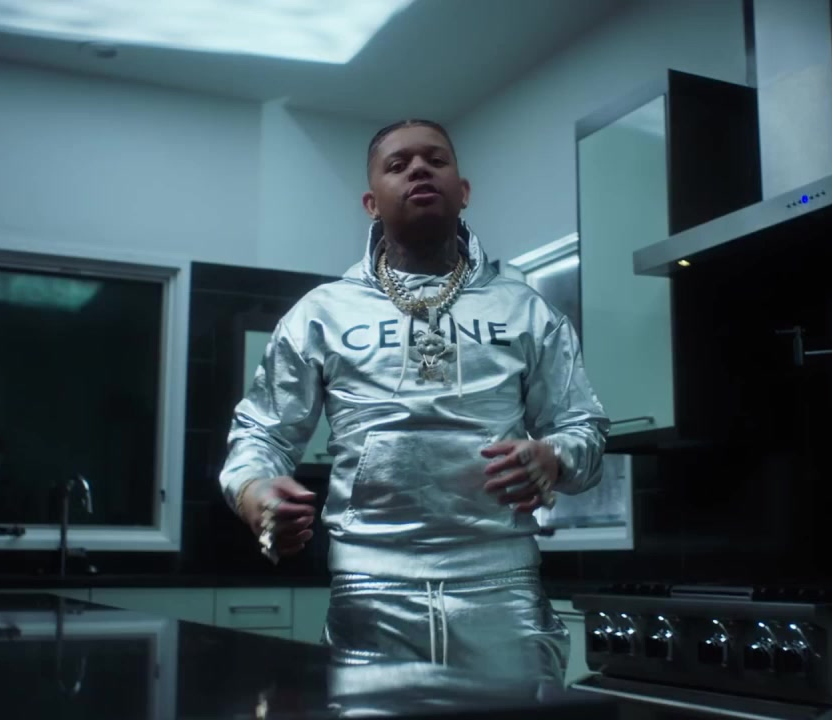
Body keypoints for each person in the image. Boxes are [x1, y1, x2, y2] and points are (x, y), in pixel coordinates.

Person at [219, 119, 609, 684]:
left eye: (435, 160)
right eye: (398, 165)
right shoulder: (321, 314)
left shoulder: (526, 311)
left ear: (463, 190)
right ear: (371, 203)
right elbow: (261, 434)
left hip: (502, 591)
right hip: (369, 593)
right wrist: (254, 492)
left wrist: (553, 457)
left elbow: (585, 430)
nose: (420, 169)